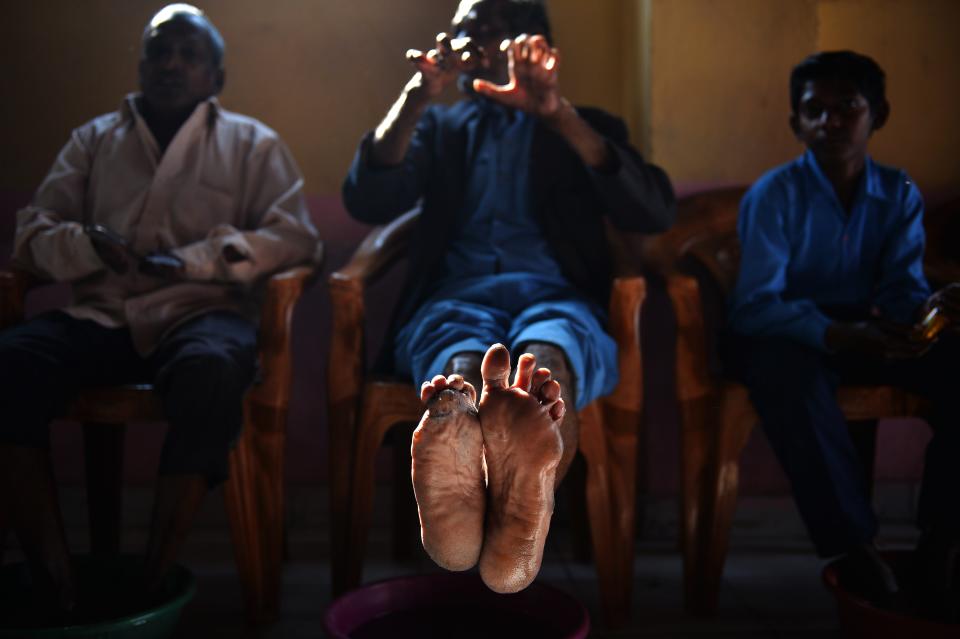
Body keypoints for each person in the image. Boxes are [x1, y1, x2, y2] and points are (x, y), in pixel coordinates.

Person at [342, 0, 674, 593]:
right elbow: (367, 199)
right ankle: (485, 505)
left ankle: (518, 500)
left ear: (536, 46)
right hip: (455, 300)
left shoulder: (581, 123)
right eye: (469, 30)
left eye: (498, 29)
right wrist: (419, 93)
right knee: (462, 373)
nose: (481, 42)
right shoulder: (440, 130)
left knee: (545, 367)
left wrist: (556, 113)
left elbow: (651, 210)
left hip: (557, 296)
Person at [0, 4, 320, 613]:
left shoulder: (252, 144)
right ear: (141, 64)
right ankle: (57, 579)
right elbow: (33, 234)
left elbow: (297, 240)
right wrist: (85, 244)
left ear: (215, 78)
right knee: (9, 363)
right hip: (103, 316)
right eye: (158, 51)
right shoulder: (94, 140)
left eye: (188, 54)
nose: (170, 63)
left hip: (201, 315)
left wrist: (200, 261)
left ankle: (151, 578)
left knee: (213, 371)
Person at [727, 50, 959, 620]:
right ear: (795, 122)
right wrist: (837, 334)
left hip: (865, 329)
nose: (830, 122)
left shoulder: (897, 193)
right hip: (787, 332)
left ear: (878, 113)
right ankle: (855, 548)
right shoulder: (774, 195)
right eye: (815, 110)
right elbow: (756, 306)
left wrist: (926, 314)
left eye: (847, 107)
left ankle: (941, 544)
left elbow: (901, 286)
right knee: (786, 376)